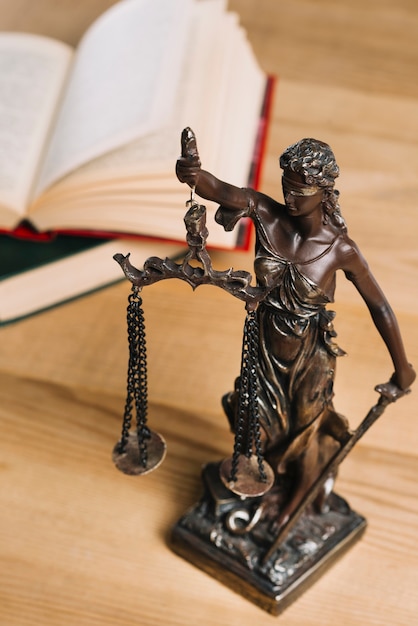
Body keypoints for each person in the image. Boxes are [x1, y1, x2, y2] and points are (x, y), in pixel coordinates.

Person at [176, 133, 415, 527]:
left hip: (309, 356)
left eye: (300, 191)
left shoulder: (341, 249)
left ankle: (297, 501)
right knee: (256, 426)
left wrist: (402, 366)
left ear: (323, 191)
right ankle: (265, 490)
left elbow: (381, 306)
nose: (290, 198)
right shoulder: (267, 214)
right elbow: (219, 190)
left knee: (306, 435)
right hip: (264, 350)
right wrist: (192, 173)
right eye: (286, 186)